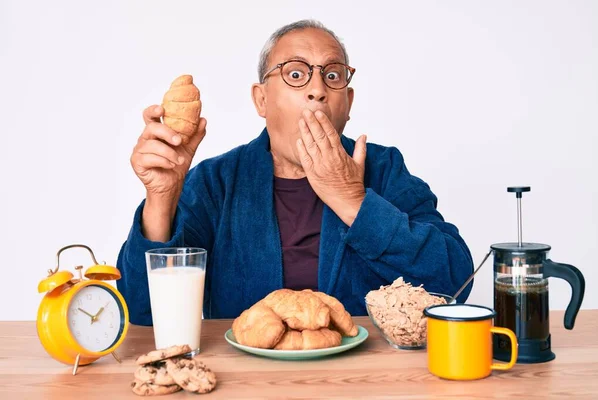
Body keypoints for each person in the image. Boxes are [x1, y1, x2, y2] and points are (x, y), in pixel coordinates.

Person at [116, 19, 474, 326]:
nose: (317, 90)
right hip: (247, 380)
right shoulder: (216, 182)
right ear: (261, 100)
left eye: (332, 75)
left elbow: (455, 281)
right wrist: (161, 199)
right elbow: (143, 311)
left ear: (347, 103)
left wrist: (353, 202)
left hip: (363, 378)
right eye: (297, 74)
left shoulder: (384, 169)